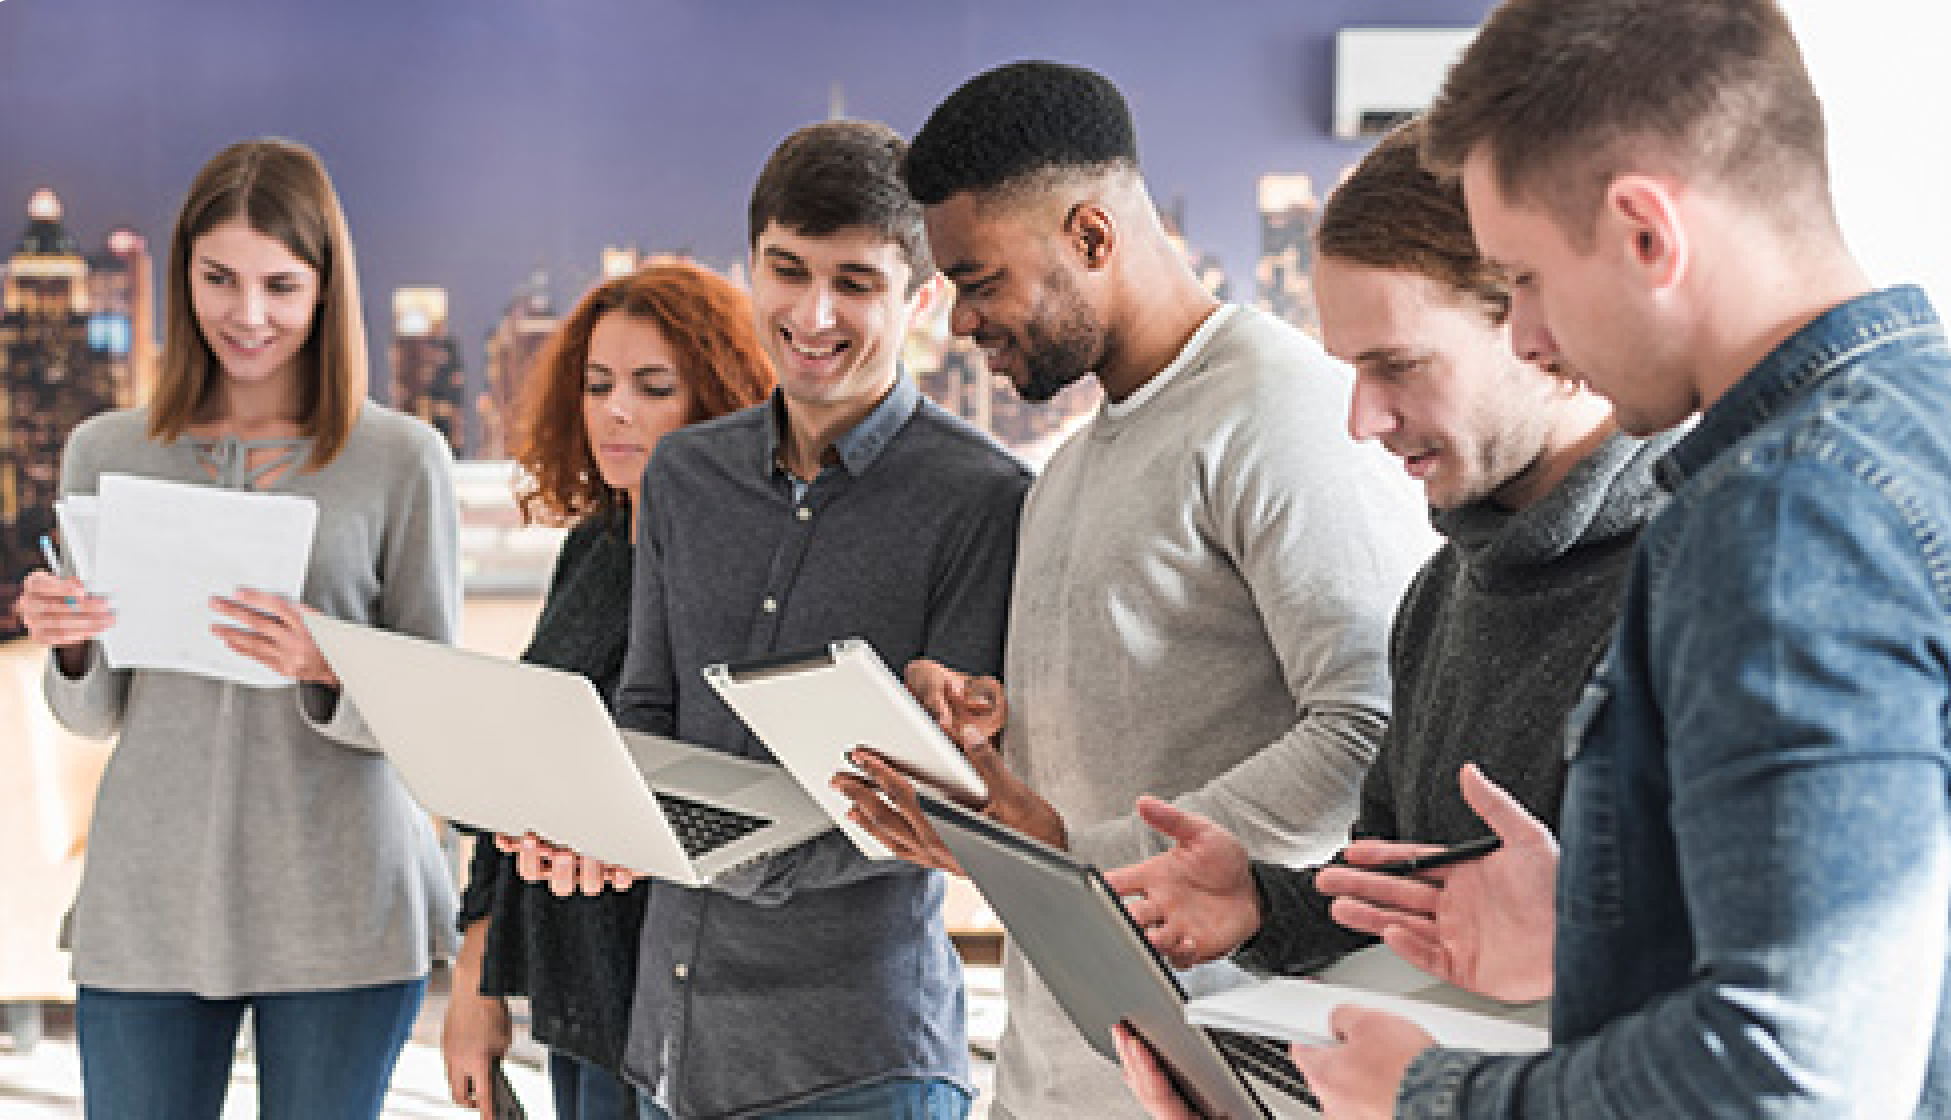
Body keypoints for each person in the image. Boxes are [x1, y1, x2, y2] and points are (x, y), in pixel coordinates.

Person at [1267, 1, 1951, 1115]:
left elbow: (1787, 1072)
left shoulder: (1789, 514)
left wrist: (1429, 1097)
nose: (1533, 339)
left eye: (1528, 279)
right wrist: (1595, 924)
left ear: (1646, 231)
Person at [836, 61, 1436, 1119]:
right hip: (1050, 1077)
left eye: (979, 281)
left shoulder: (1281, 413)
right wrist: (984, 736)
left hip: (1219, 1080)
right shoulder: (1067, 464)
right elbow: (1119, 735)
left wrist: (1075, 858)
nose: (962, 322)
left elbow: (1371, 726)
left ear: (1090, 235)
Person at [514, 119, 1031, 1119]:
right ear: (750, 265)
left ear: (922, 298)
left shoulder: (983, 498)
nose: (812, 313)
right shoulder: (682, 473)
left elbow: (943, 798)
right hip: (671, 1046)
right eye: (787, 270)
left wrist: (711, 847)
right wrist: (593, 823)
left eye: (856, 282)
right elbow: (647, 708)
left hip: (858, 1062)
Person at [1098, 115, 1672, 1005]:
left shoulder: (1708, 582)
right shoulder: (1442, 593)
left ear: (1547, 325)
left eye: (1399, 367)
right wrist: (1261, 904)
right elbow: (1396, 897)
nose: (1363, 420)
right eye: (1355, 373)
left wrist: (1585, 941)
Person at [12, 137, 461, 1118]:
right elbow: (91, 716)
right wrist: (72, 642)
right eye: (219, 279)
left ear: (325, 288)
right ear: (184, 277)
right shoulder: (106, 450)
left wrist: (328, 662)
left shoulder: (400, 458)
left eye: (280, 285)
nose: (247, 315)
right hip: (149, 897)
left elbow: (441, 712)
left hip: (343, 902)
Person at [439, 262, 775, 1120]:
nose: (615, 410)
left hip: (685, 1016)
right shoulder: (590, 549)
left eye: (653, 387)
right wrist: (475, 983)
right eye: (597, 385)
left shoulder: (740, 574)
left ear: (717, 403)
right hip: (576, 999)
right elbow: (520, 782)